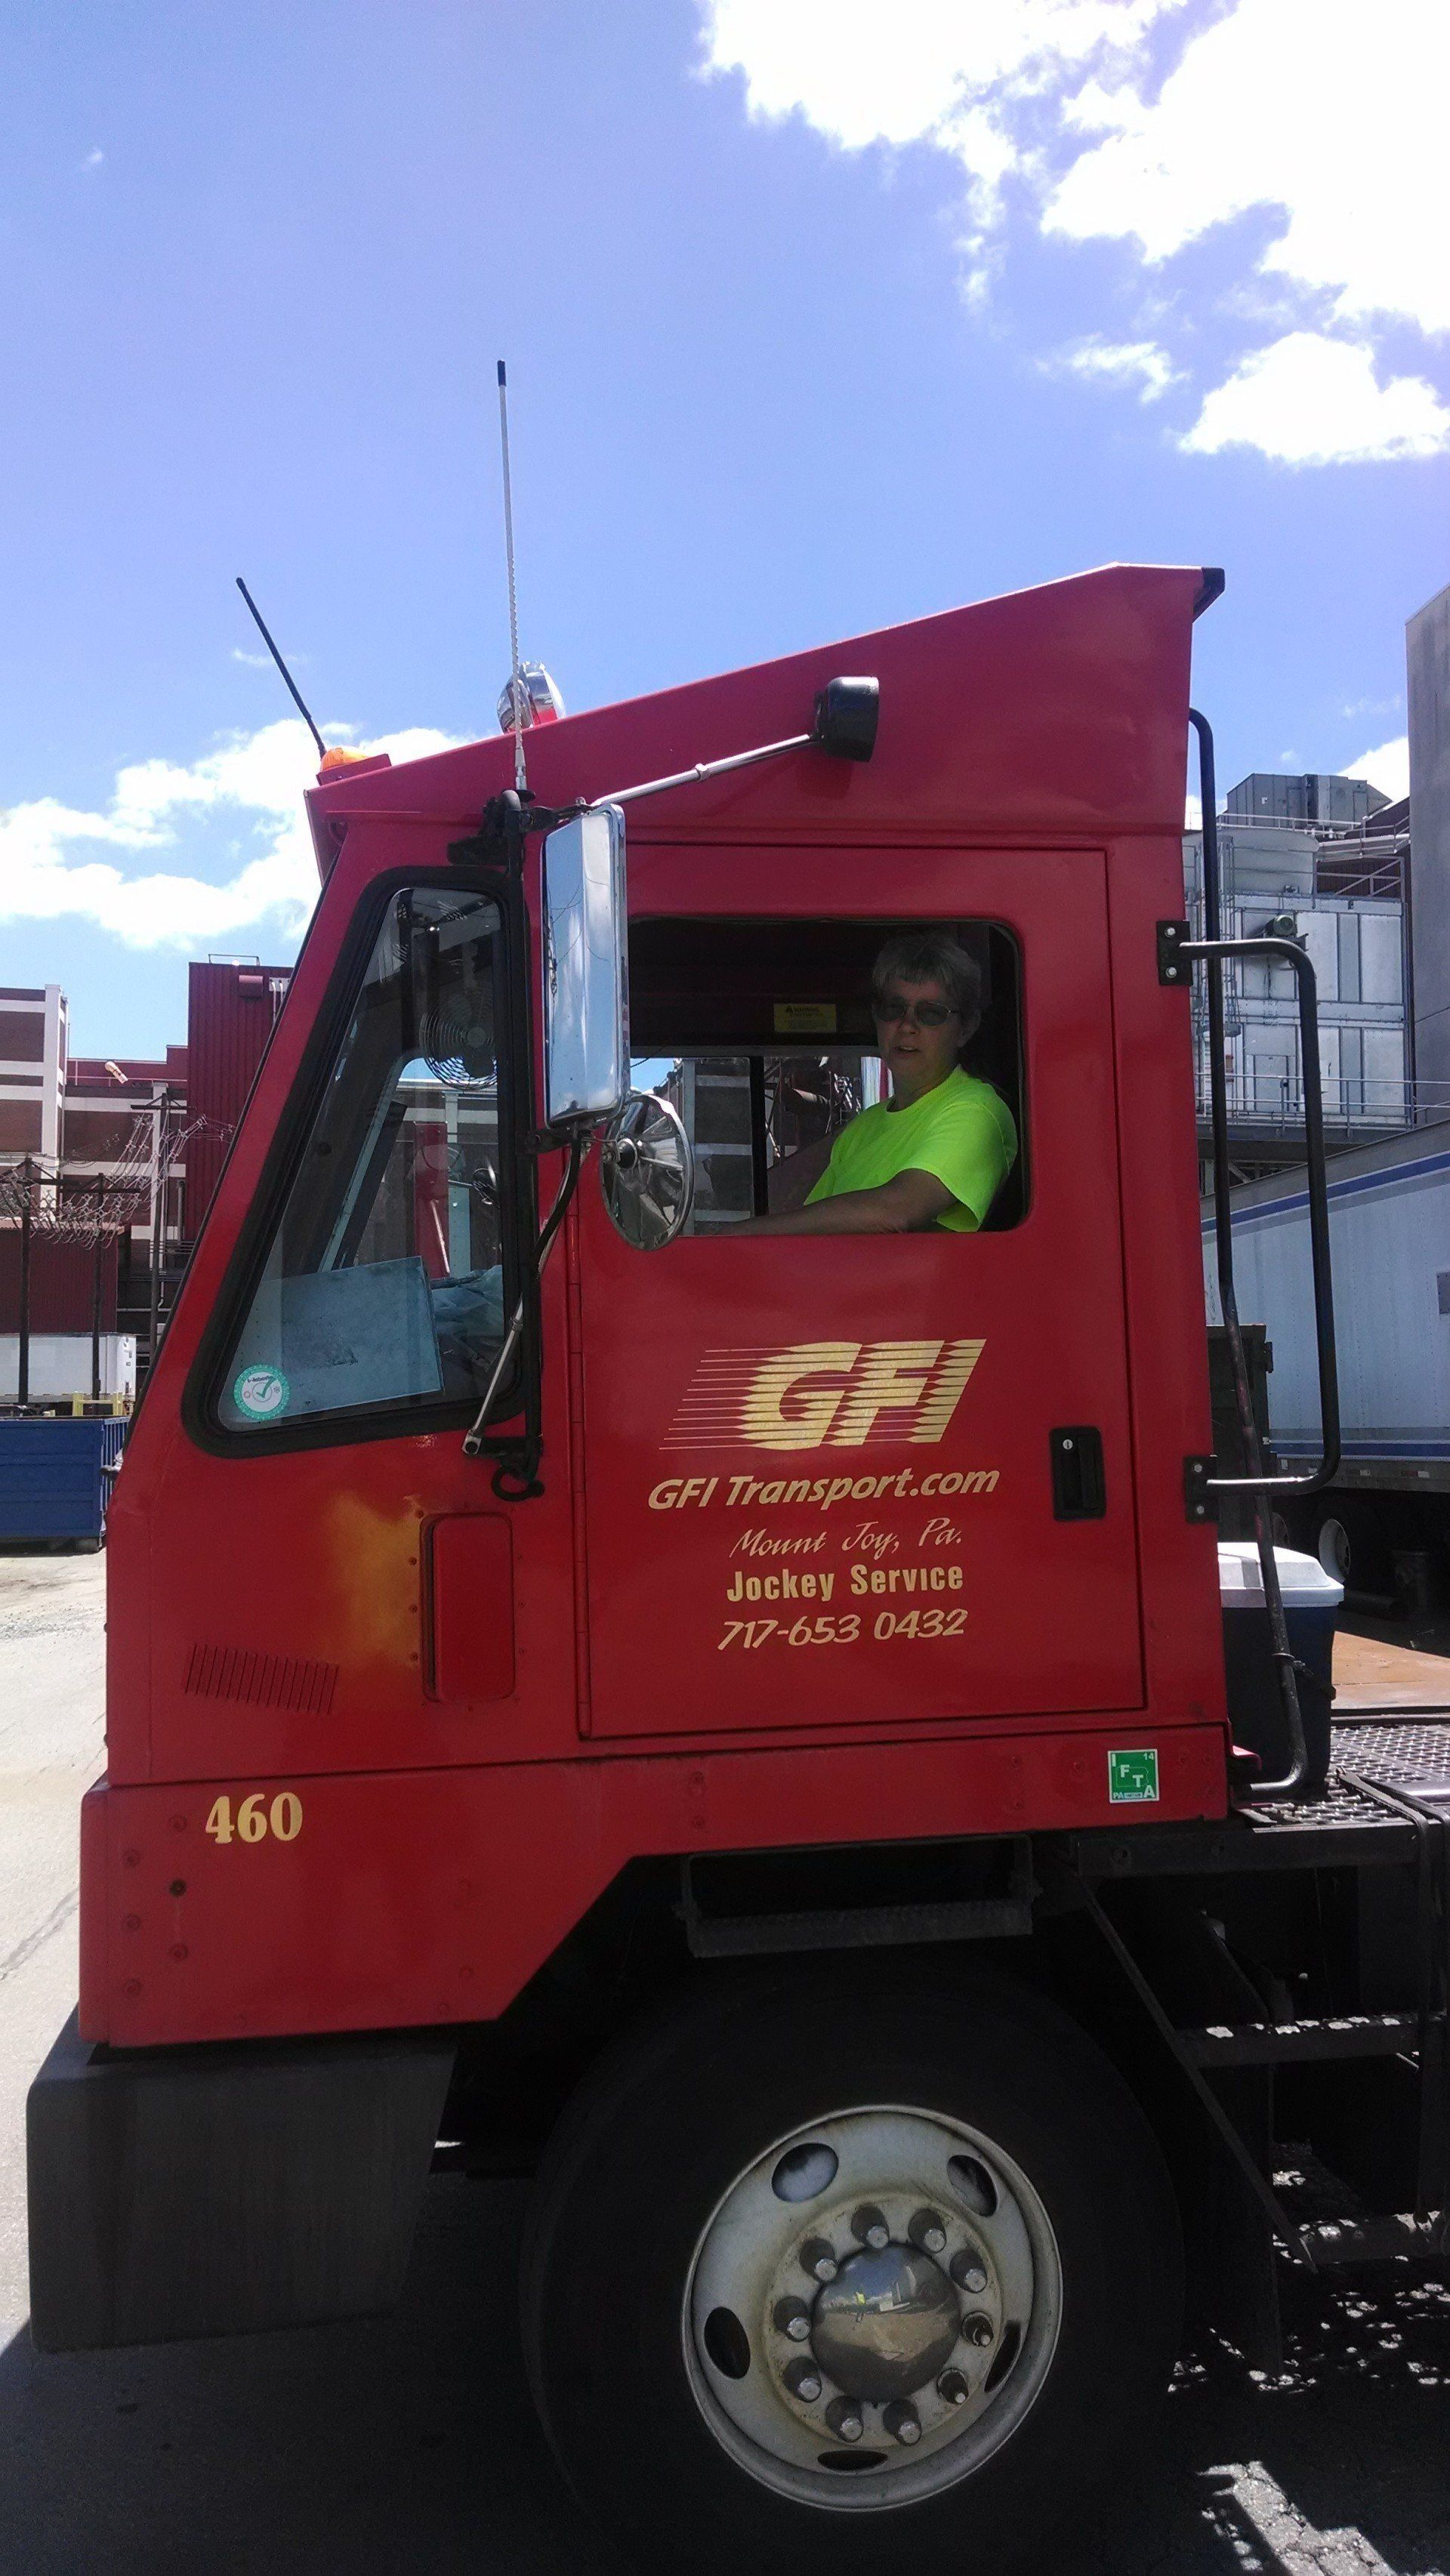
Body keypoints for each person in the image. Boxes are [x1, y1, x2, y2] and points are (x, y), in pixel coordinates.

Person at [735, 931, 1016, 1236]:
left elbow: (896, 1213)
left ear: (965, 1030)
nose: (908, 1026)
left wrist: (741, 1234)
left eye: (931, 1013)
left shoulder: (977, 1110)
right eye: (894, 1009)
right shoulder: (861, 1129)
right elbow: (811, 1235)